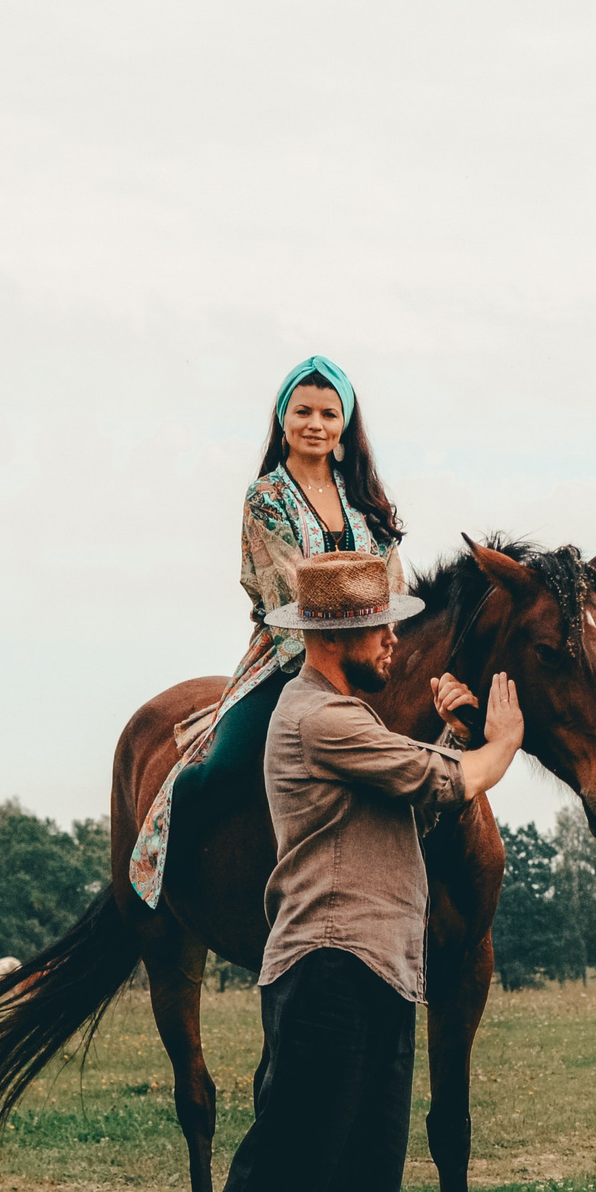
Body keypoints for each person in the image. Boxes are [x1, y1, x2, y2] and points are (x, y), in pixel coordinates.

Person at [196, 550, 524, 1192]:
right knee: (294, 1145)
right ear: (337, 637)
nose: (394, 644)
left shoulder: (355, 723)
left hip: (378, 964)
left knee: (371, 1153)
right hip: (327, 964)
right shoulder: (320, 716)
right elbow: (444, 781)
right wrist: (499, 743)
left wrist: (453, 735)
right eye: (381, 630)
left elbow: (412, 805)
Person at [124, 356, 408, 907]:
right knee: (227, 765)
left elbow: (392, 584)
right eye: (303, 411)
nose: (315, 424)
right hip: (288, 656)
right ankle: (165, 857)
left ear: (344, 426)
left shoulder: (368, 502)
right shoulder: (266, 498)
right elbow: (286, 592)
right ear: (283, 421)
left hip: (372, 654)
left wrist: (385, 644)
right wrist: (331, 661)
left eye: (328, 414)